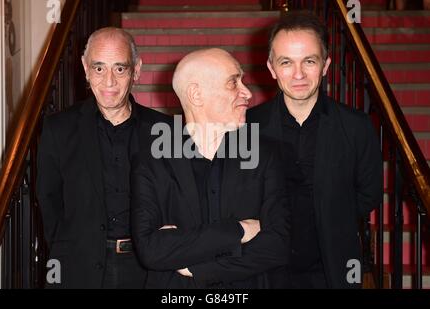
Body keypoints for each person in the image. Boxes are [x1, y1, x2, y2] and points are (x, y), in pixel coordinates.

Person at [130, 48, 290, 288]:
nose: (247, 92)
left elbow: (278, 245)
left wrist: (198, 267)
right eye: (233, 83)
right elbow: (151, 250)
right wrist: (239, 230)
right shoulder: (152, 161)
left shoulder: (264, 153)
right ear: (196, 94)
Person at [247, 11, 383, 288]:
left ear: (325, 65)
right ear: (272, 68)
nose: (298, 74)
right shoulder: (246, 126)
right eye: (286, 62)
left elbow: (368, 195)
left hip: (333, 269)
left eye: (309, 61)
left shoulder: (356, 126)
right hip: (265, 269)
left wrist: (332, 216)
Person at [36, 27, 172, 288]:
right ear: (85, 69)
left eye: (119, 69)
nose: (109, 81)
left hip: (146, 271)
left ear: (137, 70)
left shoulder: (164, 131)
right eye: (99, 68)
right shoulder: (58, 129)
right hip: (78, 268)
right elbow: (49, 199)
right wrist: (69, 250)